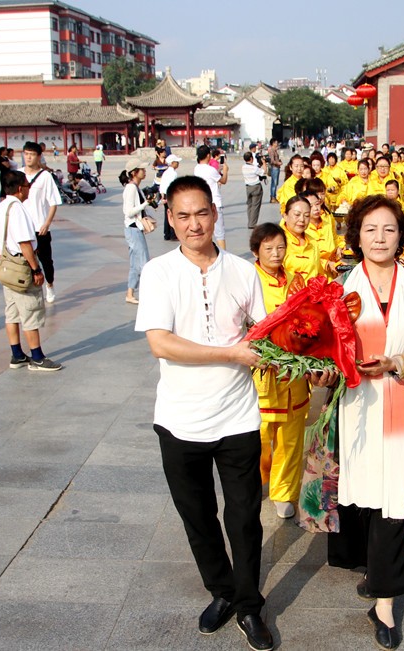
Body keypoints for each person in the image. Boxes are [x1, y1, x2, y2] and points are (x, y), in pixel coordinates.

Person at [134, 175, 274, 651]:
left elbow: (263, 334)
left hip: (238, 418)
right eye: (183, 216)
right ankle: (223, 591)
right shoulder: (158, 272)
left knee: (245, 518)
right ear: (170, 221)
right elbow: (161, 343)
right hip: (180, 419)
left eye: (202, 213)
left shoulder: (242, 270)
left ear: (215, 213)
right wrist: (230, 354)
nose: (194, 224)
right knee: (198, 515)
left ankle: (251, 606)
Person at [298, 195, 404, 651]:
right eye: (370, 229)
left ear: (402, 236)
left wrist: (399, 359)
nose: (380, 238)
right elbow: (317, 346)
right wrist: (321, 369)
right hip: (353, 405)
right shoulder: (337, 286)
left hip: (401, 398)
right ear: (355, 235)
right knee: (356, 487)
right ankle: (368, 568)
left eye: (389, 229)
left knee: (395, 493)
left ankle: (383, 600)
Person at [249, 223, 311, 519]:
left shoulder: (296, 281)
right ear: (256, 251)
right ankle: (259, 478)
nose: (276, 254)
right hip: (261, 373)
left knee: (291, 433)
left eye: (281, 247)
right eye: (268, 248)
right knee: (260, 433)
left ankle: (284, 490)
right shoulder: (248, 279)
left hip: (293, 374)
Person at [0, 170, 62, 371]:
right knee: (30, 311)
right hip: (21, 267)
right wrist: (36, 269)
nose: (29, 188)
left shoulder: (1, 208)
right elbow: (25, 243)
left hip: (7, 266)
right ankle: (37, 357)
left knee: (12, 312)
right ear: (20, 188)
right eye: (27, 185)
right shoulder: (18, 209)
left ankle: (16, 354)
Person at [22, 142, 62, 303]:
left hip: (40, 227)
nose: (28, 157)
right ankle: (29, 288)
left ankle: (50, 284)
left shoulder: (45, 176)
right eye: (26, 154)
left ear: (39, 157)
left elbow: (53, 202)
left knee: (46, 261)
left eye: (32, 154)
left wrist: (47, 223)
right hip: (23, 228)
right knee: (25, 260)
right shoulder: (18, 175)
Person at [119, 160, 153, 305]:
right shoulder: (131, 188)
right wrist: (145, 204)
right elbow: (128, 211)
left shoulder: (134, 187)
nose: (144, 172)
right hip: (133, 229)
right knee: (144, 262)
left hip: (134, 228)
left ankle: (130, 293)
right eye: (142, 169)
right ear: (134, 172)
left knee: (135, 263)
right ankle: (148, 294)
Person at [281, 194, 324, 281]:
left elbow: (319, 274)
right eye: (297, 215)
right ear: (285, 216)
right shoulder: (278, 242)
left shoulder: (312, 242)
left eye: (307, 215)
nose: (302, 219)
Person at [192, 146, 228, 249]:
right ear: (208, 155)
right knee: (219, 233)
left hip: (202, 203)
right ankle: (223, 255)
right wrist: (225, 170)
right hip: (215, 202)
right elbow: (223, 180)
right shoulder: (211, 170)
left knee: (206, 231)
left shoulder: (197, 168)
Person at [160, 154, 182, 241]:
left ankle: (167, 234)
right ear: (172, 163)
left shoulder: (165, 172)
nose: (178, 164)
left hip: (165, 195)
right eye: (176, 162)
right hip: (170, 195)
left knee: (167, 215)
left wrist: (162, 196)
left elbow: (162, 185)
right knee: (172, 215)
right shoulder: (173, 173)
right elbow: (173, 186)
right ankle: (173, 234)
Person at [242, 151, 266, 229]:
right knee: (256, 206)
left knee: (250, 205)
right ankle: (253, 224)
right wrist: (264, 163)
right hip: (256, 187)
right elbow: (263, 172)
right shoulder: (254, 168)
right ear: (251, 158)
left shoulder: (243, 167)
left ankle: (250, 222)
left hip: (248, 187)